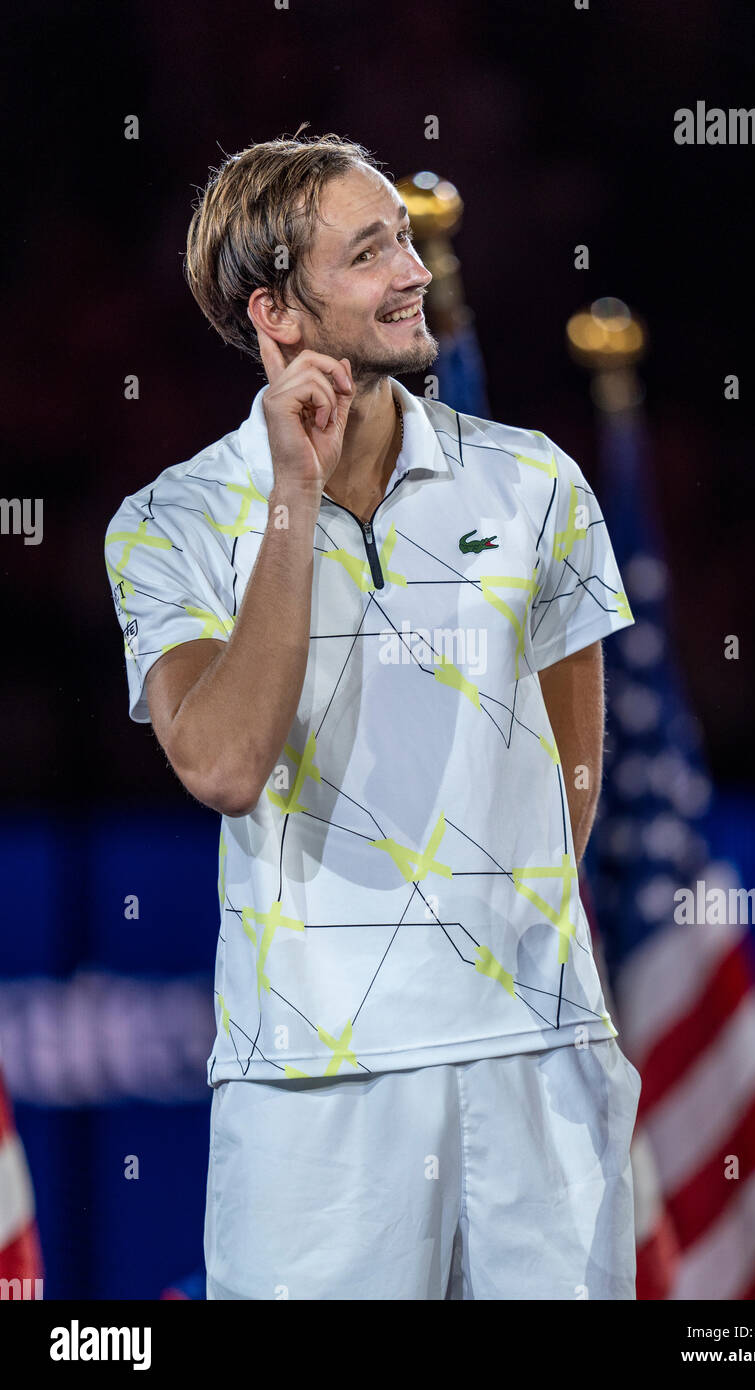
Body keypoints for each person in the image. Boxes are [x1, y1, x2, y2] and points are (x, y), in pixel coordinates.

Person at [104, 131, 642, 1300]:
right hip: (309, 1087)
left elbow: (572, 783)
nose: (411, 270)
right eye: (368, 252)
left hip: (535, 1063)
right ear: (276, 312)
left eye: (402, 236)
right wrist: (293, 496)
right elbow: (226, 762)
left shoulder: (536, 482)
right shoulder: (171, 522)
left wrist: (501, 962)